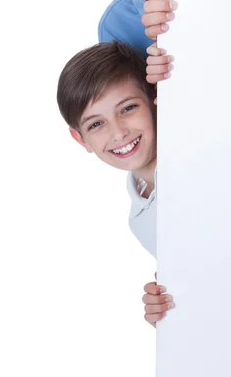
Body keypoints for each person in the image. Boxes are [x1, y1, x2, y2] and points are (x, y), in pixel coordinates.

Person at [57, 40, 175, 326]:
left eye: (128, 108)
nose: (119, 132)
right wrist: (167, 308)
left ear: (154, 97)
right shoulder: (139, 220)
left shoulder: (203, 165)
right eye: (96, 124)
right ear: (81, 139)